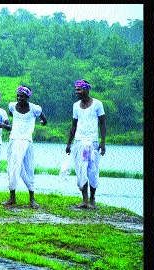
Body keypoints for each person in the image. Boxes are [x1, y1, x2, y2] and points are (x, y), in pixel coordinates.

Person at [0, 86, 47, 209]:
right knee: (13, 167)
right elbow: (12, 116)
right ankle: (12, 197)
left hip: (26, 141)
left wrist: (42, 122)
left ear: (28, 97)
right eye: (18, 96)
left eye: (22, 96)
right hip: (14, 140)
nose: (20, 98)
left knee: (28, 168)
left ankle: (32, 199)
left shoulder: (34, 109)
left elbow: (44, 119)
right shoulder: (12, 106)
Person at [65, 79, 106, 210]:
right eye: (76, 89)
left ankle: (92, 199)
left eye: (79, 89)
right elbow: (74, 125)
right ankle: (84, 200)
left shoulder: (97, 104)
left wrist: (103, 142)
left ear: (87, 89)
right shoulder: (75, 106)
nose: (76, 92)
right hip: (79, 142)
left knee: (92, 171)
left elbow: (103, 124)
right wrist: (69, 144)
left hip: (92, 143)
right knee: (81, 171)